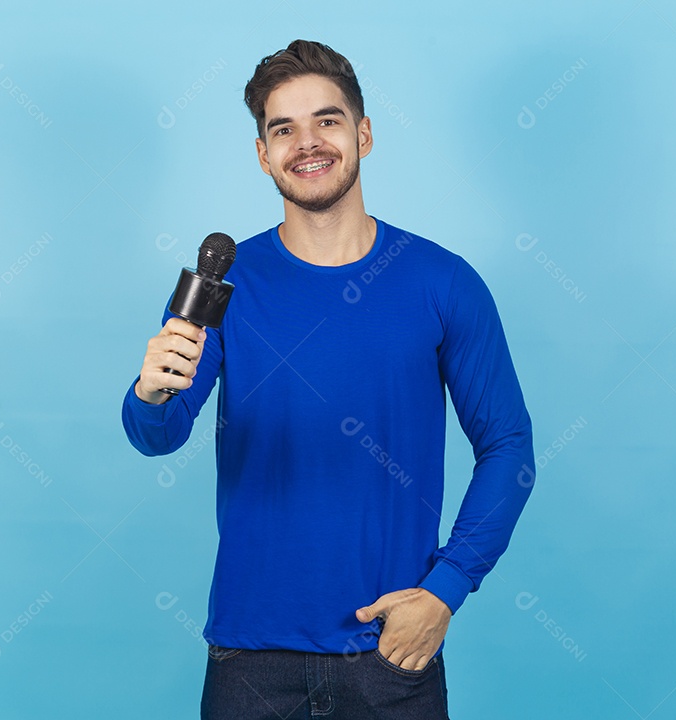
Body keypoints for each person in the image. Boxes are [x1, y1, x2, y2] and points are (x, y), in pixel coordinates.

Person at [121, 39, 535, 720]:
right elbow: (157, 434)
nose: (306, 143)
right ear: (262, 153)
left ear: (364, 134)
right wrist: (150, 393)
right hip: (248, 664)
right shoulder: (224, 287)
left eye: (327, 121)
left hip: (390, 658)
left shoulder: (443, 283)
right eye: (283, 129)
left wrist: (448, 588)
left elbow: (509, 447)